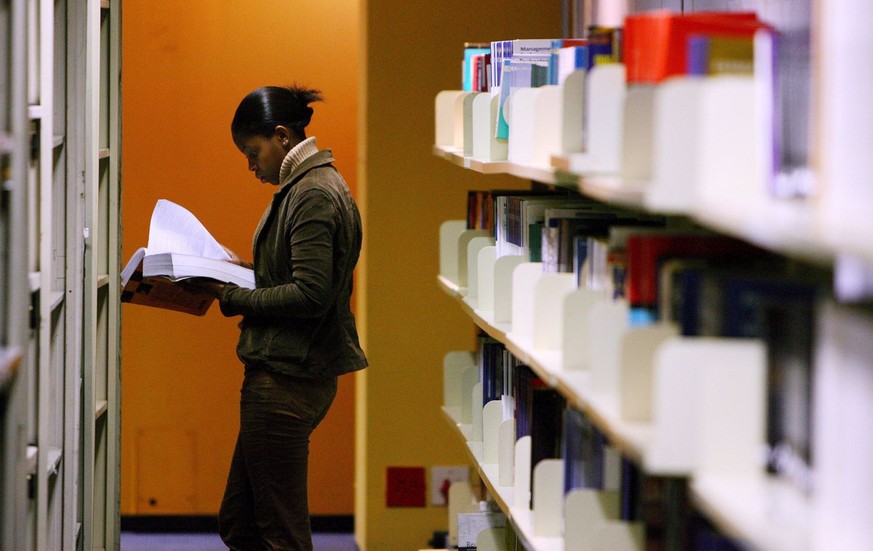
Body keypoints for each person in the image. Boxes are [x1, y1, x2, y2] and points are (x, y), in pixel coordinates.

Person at [212, 84, 368, 551]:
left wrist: (233, 295)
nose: (250, 165)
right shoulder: (308, 186)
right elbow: (298, 274)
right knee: (241, 523)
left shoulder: (312, 194)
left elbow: (310, 294)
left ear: (282, 136)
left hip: (287, 377)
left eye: (252, 152)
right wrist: (238, 271)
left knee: (281, 534)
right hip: (291, 372)